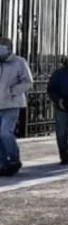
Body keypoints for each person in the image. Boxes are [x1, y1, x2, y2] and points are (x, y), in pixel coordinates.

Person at [0, 36, 32, 176]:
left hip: (11, 103)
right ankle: (3, 163)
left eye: (2, 46)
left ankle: (14, 159)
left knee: (5, 132)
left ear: (9, 48)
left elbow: (28, 82)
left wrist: (12, 91)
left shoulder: (18, 62)